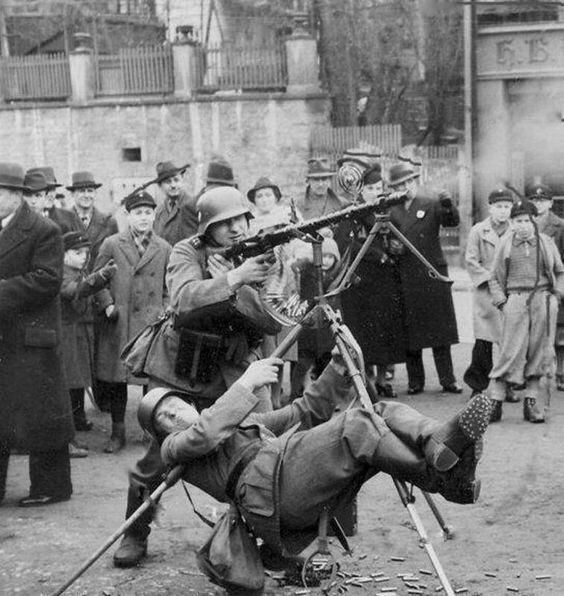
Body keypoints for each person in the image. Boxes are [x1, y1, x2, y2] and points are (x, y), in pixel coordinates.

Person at [138, 352, 492, 587]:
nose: (176, 416)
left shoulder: (246, 422)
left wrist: (338, 366)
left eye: (175, 406)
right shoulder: (176, 450)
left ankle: (438, 445)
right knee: (356, 426)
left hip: (288, 479)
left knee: (378, 412)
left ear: (187, 402)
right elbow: (206, 433)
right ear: (162, 433)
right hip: (271, 497)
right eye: (165, 419)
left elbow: (306, 409)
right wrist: (246, 383)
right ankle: (439, 476)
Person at [112, 186, 281, 567]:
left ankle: (267, 539)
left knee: (264, 449)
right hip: (182, 370)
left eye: (241, 220)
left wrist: (248, 283)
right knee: (158, 459)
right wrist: (234, 278)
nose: (237, 229)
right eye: (226, 223)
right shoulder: (187, 250)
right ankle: (134, 533)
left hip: (236, 372)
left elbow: (271, 320)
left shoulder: (259, 252)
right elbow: (184, 299)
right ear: (207, 227)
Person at [0, 162, 74, 507]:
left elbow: (47, 280)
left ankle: (51, 487)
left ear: (16, 196)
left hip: (32, 338)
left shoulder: (44, 229)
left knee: (43, 414)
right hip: (7, 337)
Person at [93, 191, 172, 454]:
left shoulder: (164, 247)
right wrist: (108, 304)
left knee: (152, 381)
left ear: (154, 215)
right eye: (138, 212)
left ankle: (151, 433)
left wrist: (165, 308)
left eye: (148, 212)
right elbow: (96, 279)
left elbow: (169, 285)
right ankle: (117, 432)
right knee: (118, 381)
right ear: (128, 216)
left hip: (151, 324)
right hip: (121, 322)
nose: (143, 218)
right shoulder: (112, 243)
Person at [487, 199, 564, 423]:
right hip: (516, 300)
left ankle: (530, 403)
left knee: (539, 351)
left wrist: (556, 294)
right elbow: (494, 277)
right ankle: (496, 401)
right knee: (510, 350)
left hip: (543, 299)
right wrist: (503, 302)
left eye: (527, 221)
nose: (523, 225)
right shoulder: (506, 243)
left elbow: (560, 271)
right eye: (518, 221)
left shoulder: (546, 242)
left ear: (534, 221)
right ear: (512, 223)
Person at [388, 163, 462, 395]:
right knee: (411, 331)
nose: (407, 187)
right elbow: (388, 240)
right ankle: (415, 382)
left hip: (432, 272)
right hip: (407, 274)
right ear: (394, 187)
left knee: (441, 330)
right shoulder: (392, 210)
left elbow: (451, 221)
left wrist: (448, 202)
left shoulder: (431, 202)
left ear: (416, 182)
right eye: (401, 184)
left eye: (410, 182)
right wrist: (394, 248)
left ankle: (448, 379)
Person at [336, 163, 407, 398]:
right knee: (364, 332)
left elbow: (397, 236)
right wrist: (380, 255)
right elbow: (350, 244)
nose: (376, 191)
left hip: (384, 281)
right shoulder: (352, 213)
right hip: (360, 281)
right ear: (361, 191)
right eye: (371, 188)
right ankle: (366, 381)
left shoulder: (386, 211)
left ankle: (382, 378)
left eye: (379, 187)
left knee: (386, 329)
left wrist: (396, 248)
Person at [60, 232, 117, 454]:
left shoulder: (78, 272)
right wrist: (100, 276)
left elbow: (91, 287)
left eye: (86, 253)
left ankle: (69, 438)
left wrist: (106, 301)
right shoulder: (61, 274)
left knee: (75, 387)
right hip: (66, 337)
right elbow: (74, 291)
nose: (84, 257)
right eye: (77, 253)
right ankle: (63, 441)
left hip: (80, 336)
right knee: (65, 390)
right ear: (63, 255)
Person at [247, 176, 300, 407]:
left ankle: (279, 394)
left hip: (286, 285)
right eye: (260, 195)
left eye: (268, 194)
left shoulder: (286, 219)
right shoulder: (250, 224)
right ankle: (269, 397)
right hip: (263, 286)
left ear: (276, 197)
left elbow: (300, 247)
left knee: (286, 343)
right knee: (269, 345)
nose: (264, 199)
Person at [463, 188, 514, 398]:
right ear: (490, 208)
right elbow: (471, 261)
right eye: (499, 207)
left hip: (509, 293)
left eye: (507, 207)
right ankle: (478, 386)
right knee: (483, 343)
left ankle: (508, 385)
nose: (503, 212)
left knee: (509, 344)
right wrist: (490, 279)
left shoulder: (515, 229)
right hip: (486, 295)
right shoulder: (478, 230)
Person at [527, 182, 564, 391]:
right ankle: (528, 374)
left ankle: (560, 373)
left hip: (552, 286)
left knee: (560, 336)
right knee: (529, 333)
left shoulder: (560, 226)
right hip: (530, 287)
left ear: (550, 203)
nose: (538, 204)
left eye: (542, 200)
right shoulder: (522, 223)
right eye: (533, 200)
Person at [152, 160, 198, 246]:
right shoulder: (159, 212)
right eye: (168, 182)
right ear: (160, 186)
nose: (173, 185)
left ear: (182, 180)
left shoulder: (192, 205)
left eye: (176, 180)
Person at [27, 166, 79, 233]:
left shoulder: (69, 217)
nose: (50, 195)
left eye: (53, 189)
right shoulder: (21, 220)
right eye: (46, 190)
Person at [296, 156, 345, 221]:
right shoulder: (298, 206)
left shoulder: (342, 203)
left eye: (324, 179)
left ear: (330, 180)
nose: (320, 184)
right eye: (316, 179)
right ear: (308, 181)